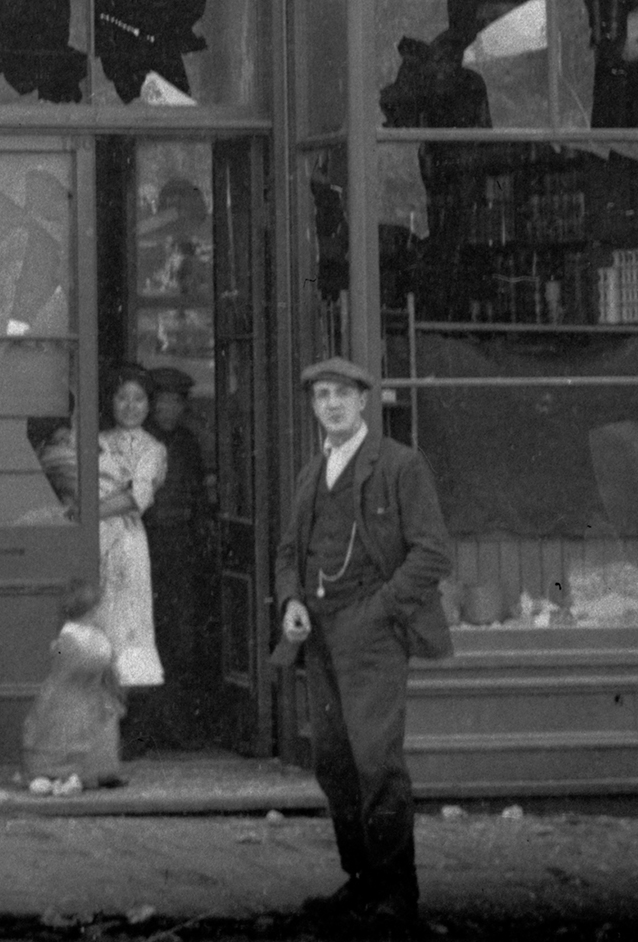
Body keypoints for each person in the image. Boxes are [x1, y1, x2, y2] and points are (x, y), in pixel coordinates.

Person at [272, 357, 450, 932]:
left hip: (370, 636)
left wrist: (378, 613)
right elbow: (286, 554)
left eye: (342, 395)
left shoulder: (399, 466)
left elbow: (431, 554)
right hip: (318, 632)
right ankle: (361, 880)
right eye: (322, 396)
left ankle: (398, 893)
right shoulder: (311, 471)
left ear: (363, 402)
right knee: (334, 762)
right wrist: (292, 601)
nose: (331, 405)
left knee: (377, 763)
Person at [140, 365, 215, 749]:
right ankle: (148, 728)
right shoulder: (141, 440)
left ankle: (178, 727)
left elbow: (199, 498)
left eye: (176, 403)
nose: (169, 410)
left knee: (181, 638)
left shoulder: (186, 444)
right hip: (147, 545)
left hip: (181, 547)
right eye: (163, 402)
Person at [88, 366, 167, 707]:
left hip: (126, 539)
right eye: (123, 398)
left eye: (139, 399)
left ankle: (123, 714)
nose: (130, 406)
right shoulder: (97, 440)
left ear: (149, 405)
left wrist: (87, 512)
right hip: (93, 538)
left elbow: (138, 497)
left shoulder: (153, 449)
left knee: (124, 619)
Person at [21, 575, 125, 796]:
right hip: (69, 696)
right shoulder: (68, 635)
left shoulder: (96, 634)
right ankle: (66, 774)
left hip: (94, 693)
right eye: (98, 607)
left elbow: (105, 660)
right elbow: (70, 662)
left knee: (101, 733)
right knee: (70, 734)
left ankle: (99, 773)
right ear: (89, 610)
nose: (101, 612)